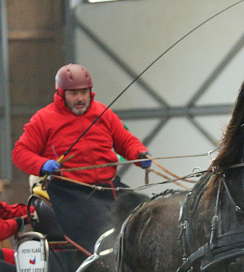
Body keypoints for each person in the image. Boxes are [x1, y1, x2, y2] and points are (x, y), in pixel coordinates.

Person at [12, 63, 152, 252]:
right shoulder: (43, 119)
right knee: (102, 222)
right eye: (73, 93)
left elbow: (125, 141)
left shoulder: (103, 113)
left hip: (107, 186)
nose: (80, 98)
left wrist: (139, 154)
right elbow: (20, 152)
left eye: (84, 92)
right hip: (69, 192)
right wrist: (42, 164)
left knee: (142, 209)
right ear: (61, 93)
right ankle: (108, 261)